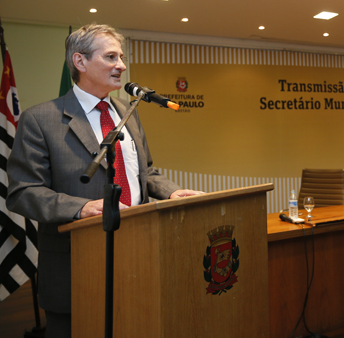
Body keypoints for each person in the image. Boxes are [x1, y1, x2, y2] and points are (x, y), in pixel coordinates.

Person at [6, 23, 203, 338]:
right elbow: (22, 193)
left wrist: (171, 192)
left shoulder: (128, 111)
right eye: (111, 57)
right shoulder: (40, 120)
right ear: (80, 62)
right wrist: (82, 208)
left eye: (121, 57)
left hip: (139, 255)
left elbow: (145, 171)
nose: (122, 65)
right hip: (77, 265)